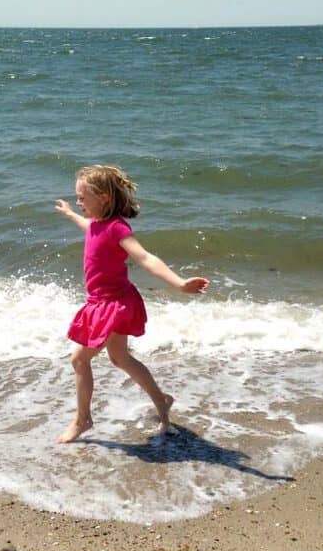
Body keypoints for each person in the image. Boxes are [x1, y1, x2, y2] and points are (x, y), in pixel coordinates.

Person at [54, 164, 209, 444]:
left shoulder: (117, 228)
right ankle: (162, 401)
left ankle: (83, 420)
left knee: (79, 359)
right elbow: (88, 226)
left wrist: (179, 283)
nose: (79, 202)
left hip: (113, 304)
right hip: (104, 301)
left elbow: (146, 258)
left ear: (103, 197)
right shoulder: (97, 223)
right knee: (120, 358)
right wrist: (70, 214)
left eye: (82, 197)